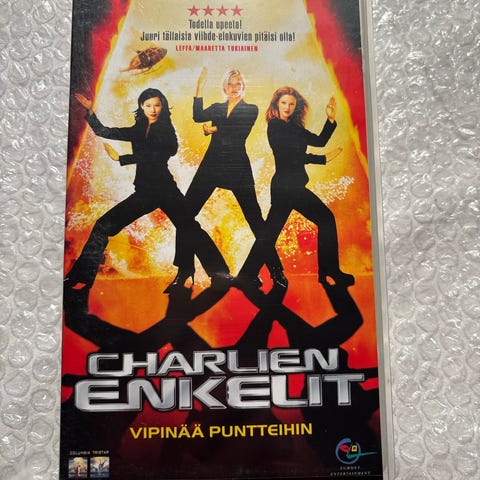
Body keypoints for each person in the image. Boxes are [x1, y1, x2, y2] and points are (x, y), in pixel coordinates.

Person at [64, 88, 229, 292]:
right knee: (103, 226)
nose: (153, 109)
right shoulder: (137, 129)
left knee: (190, 228)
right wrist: (90, 111)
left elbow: (167, 152)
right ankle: (81, 276)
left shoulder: (166, 128)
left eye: (157, 105)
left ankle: (220, 273)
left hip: (166, 190)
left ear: (162, 107)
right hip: (144, 193)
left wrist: (122, 158)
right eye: (148, 105)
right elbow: (104, 131)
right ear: (141, 106)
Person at [167, 67, 286, 290]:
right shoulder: (217, 107)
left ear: (243, 87)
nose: (234, 88)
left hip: (237, 168)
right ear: (224, 87)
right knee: (184, 215)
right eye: (230, 84)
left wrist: (212, 129)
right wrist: (200, 87)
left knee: (256, 221)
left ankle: (276, 271)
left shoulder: (251, 109)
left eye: (238, 84)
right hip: (211, 166)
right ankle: (185, 271)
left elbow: (237, 132)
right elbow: (197, 116)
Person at [236, 86, 354, 288]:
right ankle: (330, 270)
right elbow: (290, 156)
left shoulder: (295, 128)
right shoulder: (275, 126)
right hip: (285, 188)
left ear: (296, 107)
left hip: (293, 187)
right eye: (284, 103)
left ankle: (246, 275)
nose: (287, 107)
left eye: (291, 104)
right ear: (276, 104)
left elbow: (319, 140)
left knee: (270, 235)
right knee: (322, 219)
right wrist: (322, 159)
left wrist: (330, 119)